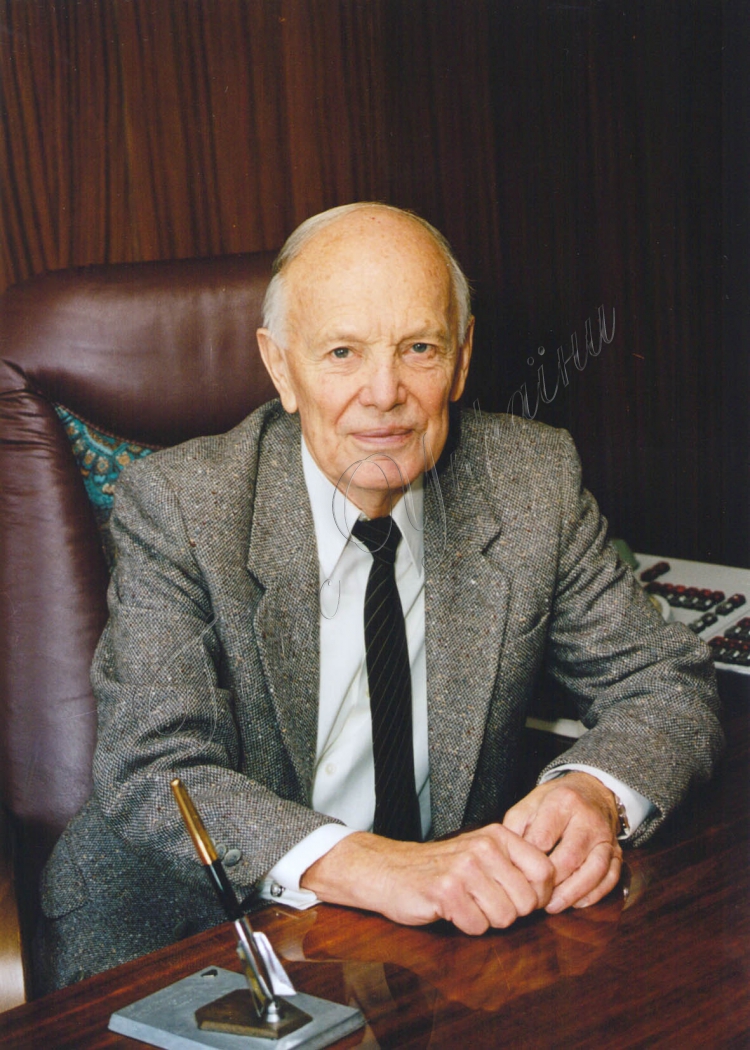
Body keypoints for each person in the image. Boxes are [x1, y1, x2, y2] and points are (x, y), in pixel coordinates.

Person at [37, 203, 723, 990]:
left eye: (419, 348)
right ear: (280, 368)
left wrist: (594, 791)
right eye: (342, 352)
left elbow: (664, 680)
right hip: (188, 927)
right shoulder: (182, 506)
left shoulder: (532, 480)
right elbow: (157, 772)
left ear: (460, 360)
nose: (384, 393)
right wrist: (380, 867)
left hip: (431, 947)